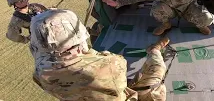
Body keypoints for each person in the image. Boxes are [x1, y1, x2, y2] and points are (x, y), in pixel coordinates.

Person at [30, 9, 169, 101]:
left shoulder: (40, 72)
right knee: (156, 71)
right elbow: (119, 62)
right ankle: (155, 51)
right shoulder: (110, 65)